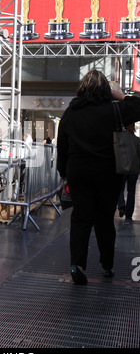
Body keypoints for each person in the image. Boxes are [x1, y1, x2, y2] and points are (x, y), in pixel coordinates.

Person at [57, 70, 140, 285]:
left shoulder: (71, 112)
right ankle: (107, 265)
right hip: (107, 173)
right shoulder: (115, 110)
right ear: (106, 91)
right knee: (104, 220)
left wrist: (63, 172)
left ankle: (77, 265)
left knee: (81, 218)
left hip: (78, 172)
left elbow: (62, 146)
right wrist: (120, 95)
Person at [117, 123, 140, 224]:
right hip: (134, 169)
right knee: (131, 192)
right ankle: (129, 214)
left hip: (122, 168)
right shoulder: (137, 140)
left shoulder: (120, 138)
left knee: (120, 189)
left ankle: (121, 205)